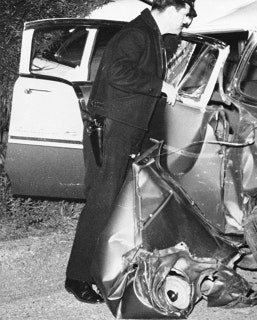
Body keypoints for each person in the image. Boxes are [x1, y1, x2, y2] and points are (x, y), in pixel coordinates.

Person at [64, 0, 196, 304]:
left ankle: (103, 268)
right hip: (113, 130)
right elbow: (117, 74)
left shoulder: (151, 36)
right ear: (175, 8)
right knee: (102, 202)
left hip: (124, 129)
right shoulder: (136, 34)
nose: (187, 22)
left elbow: (149, 66)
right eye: (186, 15)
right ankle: (77, 277)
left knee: (115, 204)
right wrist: (160, 85)